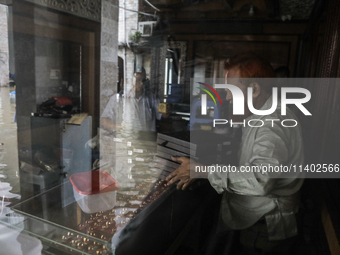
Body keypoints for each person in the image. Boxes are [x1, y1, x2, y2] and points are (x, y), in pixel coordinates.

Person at [166, 52, 304, 254]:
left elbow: (261, 179)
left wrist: (203, 171)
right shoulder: (263, 114)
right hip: (257, 223)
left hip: (264, 231)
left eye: (231, 90)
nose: (228, 97)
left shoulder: (273, 123)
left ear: (254, 89)